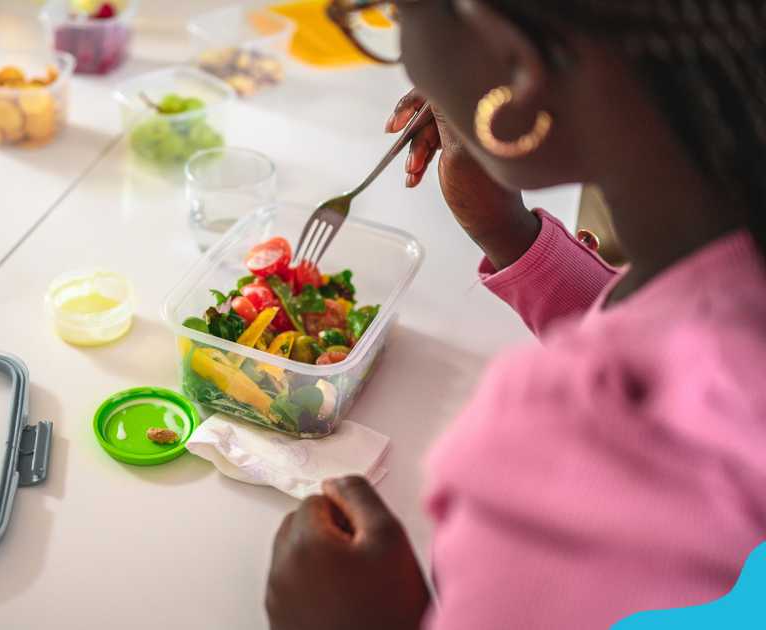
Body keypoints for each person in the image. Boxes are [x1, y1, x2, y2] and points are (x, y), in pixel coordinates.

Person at [266, 0, 766, 628]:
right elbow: (674, 341)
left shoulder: (547, 469)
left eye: (395, 14)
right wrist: (515, 239)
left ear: (514, 66)